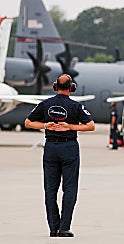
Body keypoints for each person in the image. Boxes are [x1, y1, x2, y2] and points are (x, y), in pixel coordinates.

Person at [25, 74, 95, 237]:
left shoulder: (45, 104)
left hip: (50, 147)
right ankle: (64, 227)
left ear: (56, 86)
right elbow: (90, 125)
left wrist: (45, 125)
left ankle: (53, 228)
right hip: (69, 147)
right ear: (72, 88)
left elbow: (28, 122)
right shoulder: (76, 106)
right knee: (69, 188)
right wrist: (70, 126)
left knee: (50, 188)